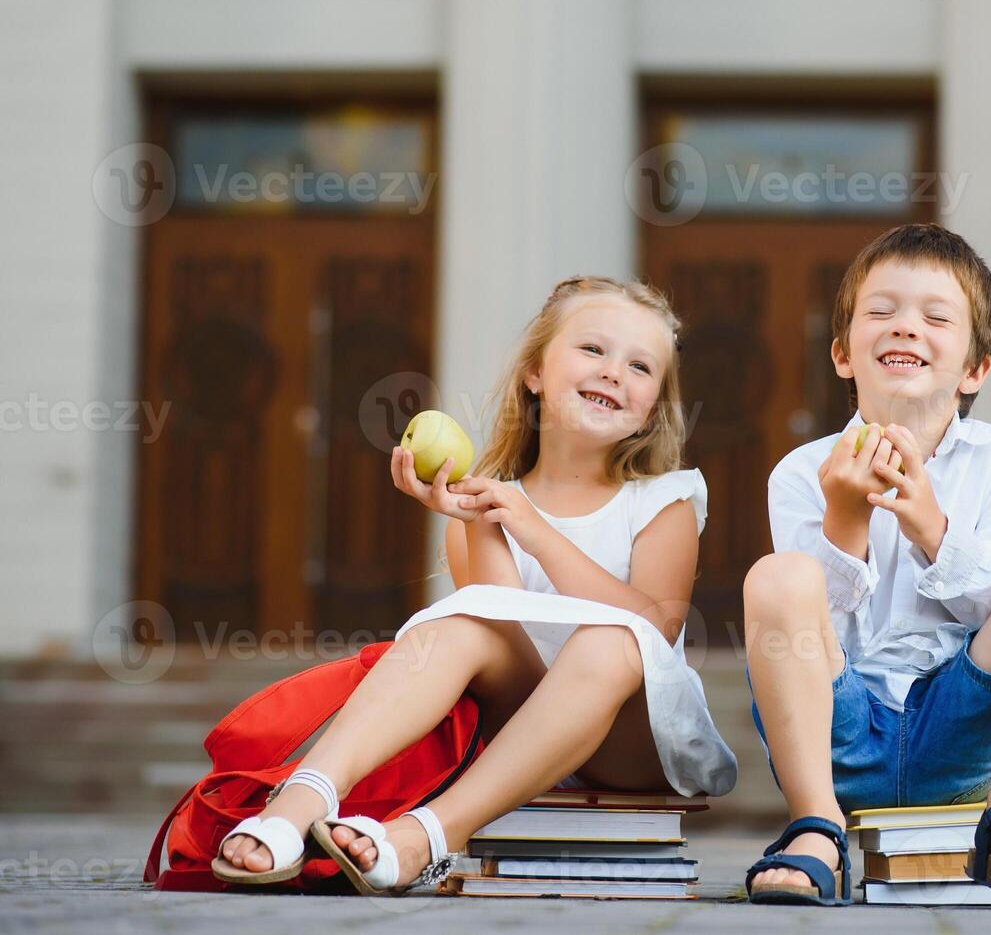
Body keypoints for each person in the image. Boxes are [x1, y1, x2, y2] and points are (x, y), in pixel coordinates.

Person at [213, 276, 735, 894]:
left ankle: (424, 836)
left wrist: (537, 532)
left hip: (637, 740)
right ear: (535, 373)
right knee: (461, 623)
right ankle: (298, 802)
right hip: (524, 725)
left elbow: (655, 627)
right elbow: (497, 620)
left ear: (653, 406)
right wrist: (480, 525)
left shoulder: (665, 498)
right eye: (593, 350)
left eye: (640, 365)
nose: (614, 371)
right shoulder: (490, 499)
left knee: (609, 640)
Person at [742, 224, 991, 909]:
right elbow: (811, 623)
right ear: (844, 353)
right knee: (777, 577)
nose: (906, 327)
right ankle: (815, 824)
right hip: (841, 729)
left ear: (975, 369)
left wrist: (932, 528)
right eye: (881, 311)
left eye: (936, 317)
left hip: (959, 723)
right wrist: (846, 519)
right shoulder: (801, 472)